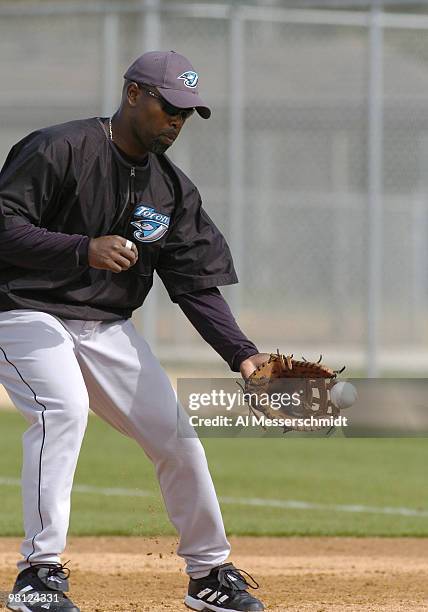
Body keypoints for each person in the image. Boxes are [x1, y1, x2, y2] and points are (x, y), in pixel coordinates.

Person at [0, 50, 267, 612]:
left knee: (177, 435)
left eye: (186, 113)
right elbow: (5, 228)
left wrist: (243, 356)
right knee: (62, 409)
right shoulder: (59, 149)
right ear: (133, 95)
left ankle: (209, 573)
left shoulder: (170, 190)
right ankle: (38, 574)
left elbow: (194, 283)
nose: (176, 121)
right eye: (168, 107)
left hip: (105, 326)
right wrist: (81, 249)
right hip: (23, 310)